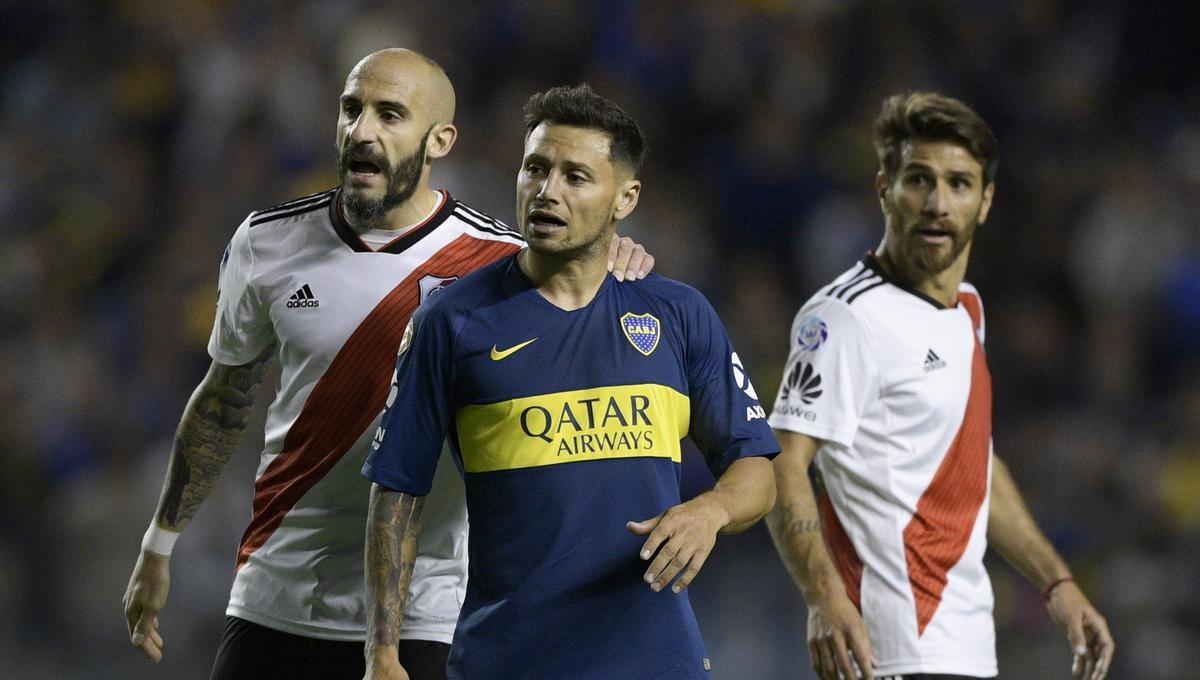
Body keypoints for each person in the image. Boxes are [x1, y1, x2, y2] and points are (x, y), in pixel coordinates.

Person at [120, 49, 655, 680]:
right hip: (273, 596)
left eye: (389, 114)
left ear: (439, 140)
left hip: (424, 618)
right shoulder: (265, 241)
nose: (362, 130)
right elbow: (223, 399)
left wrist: (608, 253)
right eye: (352, 109)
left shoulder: (503, 265)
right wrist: (159, 544)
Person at [361, 84, 779, 680]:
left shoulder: (678, 315)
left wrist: (709, 510)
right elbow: (397, 491)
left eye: (576, 177)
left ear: (624, 198)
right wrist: (382, 653)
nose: (547, 191)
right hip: (507, 661)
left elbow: (756, 467)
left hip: (658, 661)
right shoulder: (450, 324)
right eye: (536, 169)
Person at [766, 91, 1115, 680]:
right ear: (884, 189)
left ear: (985, 201)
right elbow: (783, 460)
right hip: (886, 650)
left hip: (967, 649)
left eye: (958, 184)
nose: (936, 203)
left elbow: (973, 465)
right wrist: (823, 597)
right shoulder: (843, 318)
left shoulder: (968, 310)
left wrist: (1057, 582)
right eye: (918, 180)